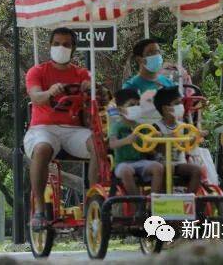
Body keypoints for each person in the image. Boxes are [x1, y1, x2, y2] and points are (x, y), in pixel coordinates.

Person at [24, 27, 99, 229]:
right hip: (43, 128)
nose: (61, 47)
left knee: (98, 144)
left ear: (73, 48)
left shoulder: (82, 74)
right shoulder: (37, 71)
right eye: (56, 43)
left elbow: (98, 99)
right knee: (42, 149)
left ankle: (94, 201)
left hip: (74, 130)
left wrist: (90, 90)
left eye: (66, 44)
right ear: (50, 45)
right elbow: (35, 97)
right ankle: (39, 210)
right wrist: (49, 91)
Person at [108, 90, 164, 196]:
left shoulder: (142, 125)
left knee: (158, 167)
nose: (136, 107)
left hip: (141, 161)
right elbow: (112, 144)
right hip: (122, 163)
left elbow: (149, 142)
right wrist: (127, 140)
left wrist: (156, 137)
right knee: (126, 171)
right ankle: (137, 203)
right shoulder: (117, 125)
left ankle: (154, 203)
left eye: (138, 105)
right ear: (120, 109)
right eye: (131, 105)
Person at [152, 88, 202, 194]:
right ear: (165, 108)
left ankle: (188, 199)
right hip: (162, 162)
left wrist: (194, 138)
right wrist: (167, 138)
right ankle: (165, 198)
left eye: (181, 103)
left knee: (197, 170)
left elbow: (187, 146)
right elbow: (156, 149)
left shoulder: (183, 126)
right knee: (167, 168)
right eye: (177, 103)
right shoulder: (157, 127)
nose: (181, 106)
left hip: (180, 162)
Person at [122, 38, 178, 122]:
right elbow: (127, 118)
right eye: (150, 53)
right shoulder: (130, 87)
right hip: (144, 133)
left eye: (158, 52)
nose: (156, 55)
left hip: (170, 132)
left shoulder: (168, 83)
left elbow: (177, 110)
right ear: (139, 59)